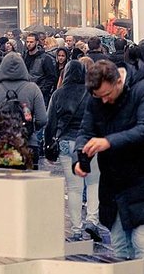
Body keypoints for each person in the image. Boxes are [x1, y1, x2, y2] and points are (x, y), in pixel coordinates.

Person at [74, 58, 144, 260]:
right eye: (99, 96)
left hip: (141, 183)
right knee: (120, 251)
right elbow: (85, 131)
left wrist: (108, 142)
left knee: (142, 247)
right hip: (113, 190)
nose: (104, 101)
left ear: (118, 81)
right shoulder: (96, 98)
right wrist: (80, 158)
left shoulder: (141, 90)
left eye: (107, 95)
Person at [46, 59, 100, 241]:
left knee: (74, 188)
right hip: (89, 142)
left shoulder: (58, 94)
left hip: (66, 143)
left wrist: (48, 147)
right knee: (93, 183)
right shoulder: (92, 93)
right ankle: (92, 220)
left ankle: (76, 228)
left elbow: (51, 122)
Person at [0, 51, 47, 166]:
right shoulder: (33, 88)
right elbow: (42, 119)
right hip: (28, 142)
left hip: (1, 142)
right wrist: (31, 127)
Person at [23, 32, 57, 105]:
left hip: (40, 93)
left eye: (31, 42)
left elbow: (51, 77)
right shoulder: (24, 56)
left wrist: (43, 90)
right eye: (27, 42)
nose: (28, 44)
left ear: (37, 42)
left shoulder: (45, 58)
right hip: (25, 92)